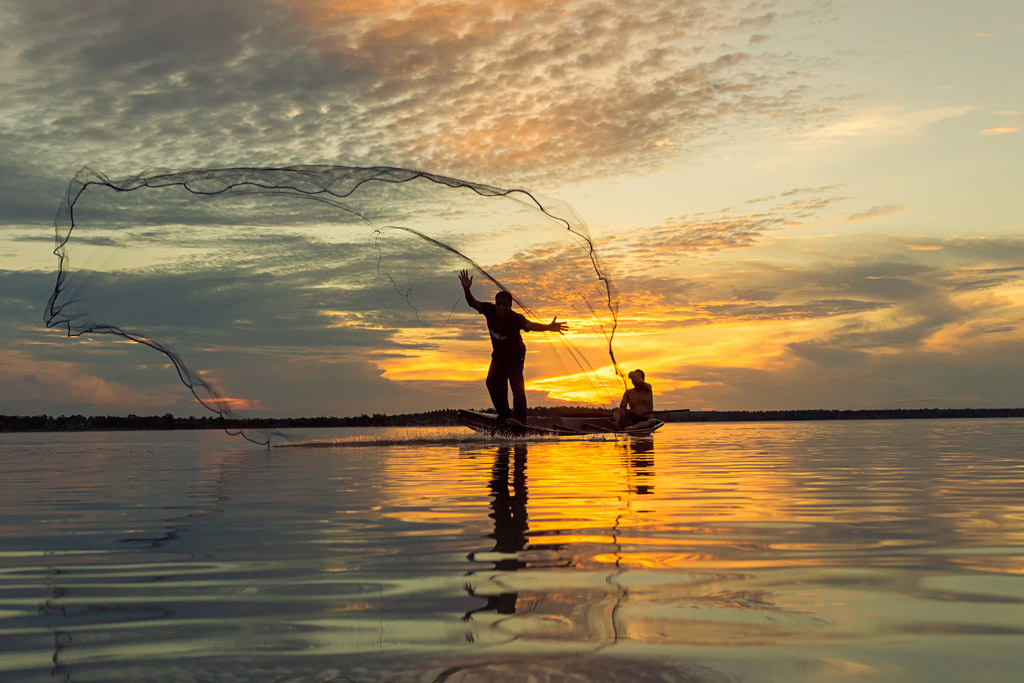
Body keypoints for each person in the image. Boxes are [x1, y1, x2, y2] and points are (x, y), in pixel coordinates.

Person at [459, 269, 567, 426]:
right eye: (500, 305)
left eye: (506, 306)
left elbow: (530, 325)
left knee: (516, 385)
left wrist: (549, 327)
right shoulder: (489, 310)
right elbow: (472, 303)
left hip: (516, 356)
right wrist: (467, 289)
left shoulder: (515, 318)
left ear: (510, 306)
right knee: (492, 382)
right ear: (496, 304)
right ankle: (504, 414)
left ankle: (519, 419)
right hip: (499, 356)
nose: (502, 308)